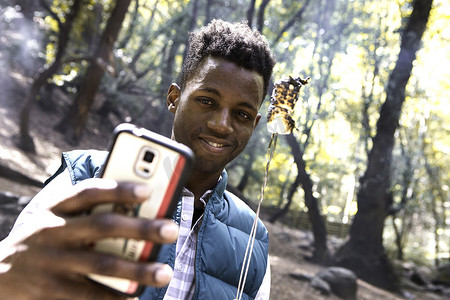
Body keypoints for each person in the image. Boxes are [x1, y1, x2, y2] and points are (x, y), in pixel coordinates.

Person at [0, 19, 275, 300]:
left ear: (253, 125)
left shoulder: (254, 238)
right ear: (174, 99)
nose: (221, 124)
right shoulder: (84, 179)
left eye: (241, 114)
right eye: (207, 101)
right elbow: (13, 274)